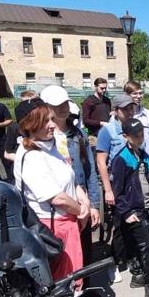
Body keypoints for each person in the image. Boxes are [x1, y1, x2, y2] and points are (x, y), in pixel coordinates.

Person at [14, 104, 91, 281]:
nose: (52, 125)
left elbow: (70, 178)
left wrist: (84, 200)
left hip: (68, 220)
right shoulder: (31, 156)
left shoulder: (49, 146)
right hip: (53, 227)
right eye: (45, 121)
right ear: (29, 125)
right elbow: (57, 198)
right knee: (60, 279)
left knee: (71, 275)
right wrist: (81, 212)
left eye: (51, 119)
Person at [40, 85, 103, 261]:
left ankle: (86, 287)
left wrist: (94, 205)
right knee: (63, 256)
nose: (63, 108)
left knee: (84, 251)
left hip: (81, 202)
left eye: (65, 104)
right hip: (55, 209)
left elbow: (89, 170)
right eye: (57, 105)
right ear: (46, 107)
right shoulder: (41, 138)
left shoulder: (78, 135)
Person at [110, 118, 149, 297]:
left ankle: (139, 275)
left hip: (148, 207)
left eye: (142, 134)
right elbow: (117, 192)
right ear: (126, 136)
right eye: (136, 135)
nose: (140, 138)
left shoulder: (145, 155)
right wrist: (126, 212)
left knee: (145, 244)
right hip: (134, 210)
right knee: (148, 247)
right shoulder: (121, 159)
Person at [96, 94, 140, 209]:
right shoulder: (107, 131)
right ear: (115, 111)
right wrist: (108, 191)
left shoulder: (135, 127)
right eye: (125, 109)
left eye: (131, 108)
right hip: (116, 182)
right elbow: (101, 162)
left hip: (134, 179)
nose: (129, 112)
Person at [124, 80, 149, 164]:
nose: (138, 96)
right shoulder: (123, 117)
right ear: (126, 95)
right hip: (129, 165)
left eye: (140, 93)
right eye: (134, 94)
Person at [4, 89, 38, 164]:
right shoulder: (14, 127)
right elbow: (7, 153)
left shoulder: (46, 125)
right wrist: (24, 160)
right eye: (23, 103)